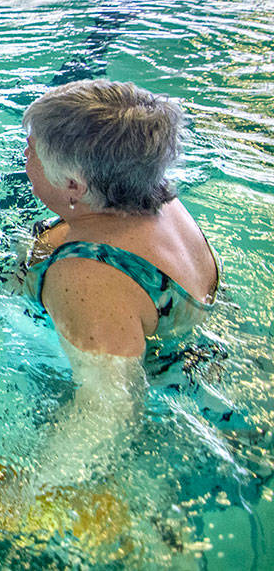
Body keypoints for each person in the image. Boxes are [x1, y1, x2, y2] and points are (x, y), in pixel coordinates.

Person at [18, 79, 219, 485]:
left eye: (33, 149)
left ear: (74, 186)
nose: (24, 155)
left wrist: (19, 495)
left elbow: (108, 414)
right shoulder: (156, 198)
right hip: (201, 363)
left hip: (180, 434)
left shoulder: (89, 276)